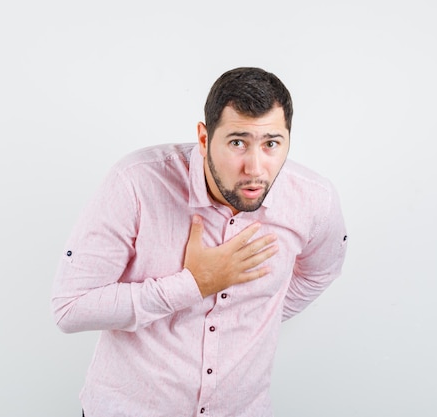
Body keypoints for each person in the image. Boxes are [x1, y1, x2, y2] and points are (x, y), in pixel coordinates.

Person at [51, 67, 348, 417]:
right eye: (237, 142)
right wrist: (193, 285)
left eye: (271, 144)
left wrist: (253, 316)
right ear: (205, 138)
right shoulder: (135, 182)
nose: (255, 168)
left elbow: (320, 272)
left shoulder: (313, 199)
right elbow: (70, 308)